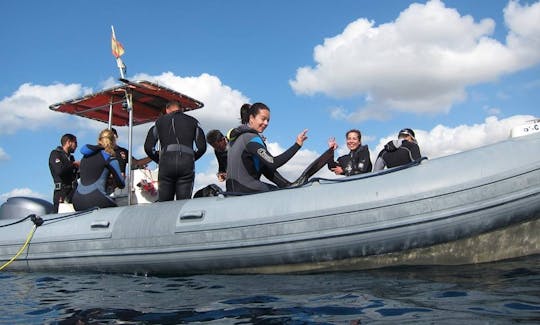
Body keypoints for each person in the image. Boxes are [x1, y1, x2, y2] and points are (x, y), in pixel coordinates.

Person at [226, 102, 308, 193]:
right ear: (251, 118)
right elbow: (273, 163)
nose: (266, 123)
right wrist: (297, 145)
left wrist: (286, 184)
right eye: (263, 119)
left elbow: (265, 168)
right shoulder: (251, 138)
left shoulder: (235, 138)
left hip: (231, 189)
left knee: (282, 188)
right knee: (283, 195)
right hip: (246, 188)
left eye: (268, 120)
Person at [144, 100, 207, 201]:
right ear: (181, 109)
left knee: (165, 203)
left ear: (167, 110)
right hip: (186, 163)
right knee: (183, 203)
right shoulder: (193, 122)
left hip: (166, 163)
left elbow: (148, 147)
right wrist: (192, 158)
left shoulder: (159, 122)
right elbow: (202, 147)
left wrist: (159, 160)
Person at [72, 129, 125, 211]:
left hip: (77, 200)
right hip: (96, 198)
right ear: (113, 141)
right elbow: (121, 184)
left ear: (99, 140)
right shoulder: (110, 158)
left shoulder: (85, 156)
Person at [48, 133, 80, 213]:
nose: (76, 145)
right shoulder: (55, 154)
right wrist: (74, 164)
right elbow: (60, 170)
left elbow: (73, 175)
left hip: (73, 193)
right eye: (75, 143)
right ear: (68, 142)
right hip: (62, 193)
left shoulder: (71, 157)